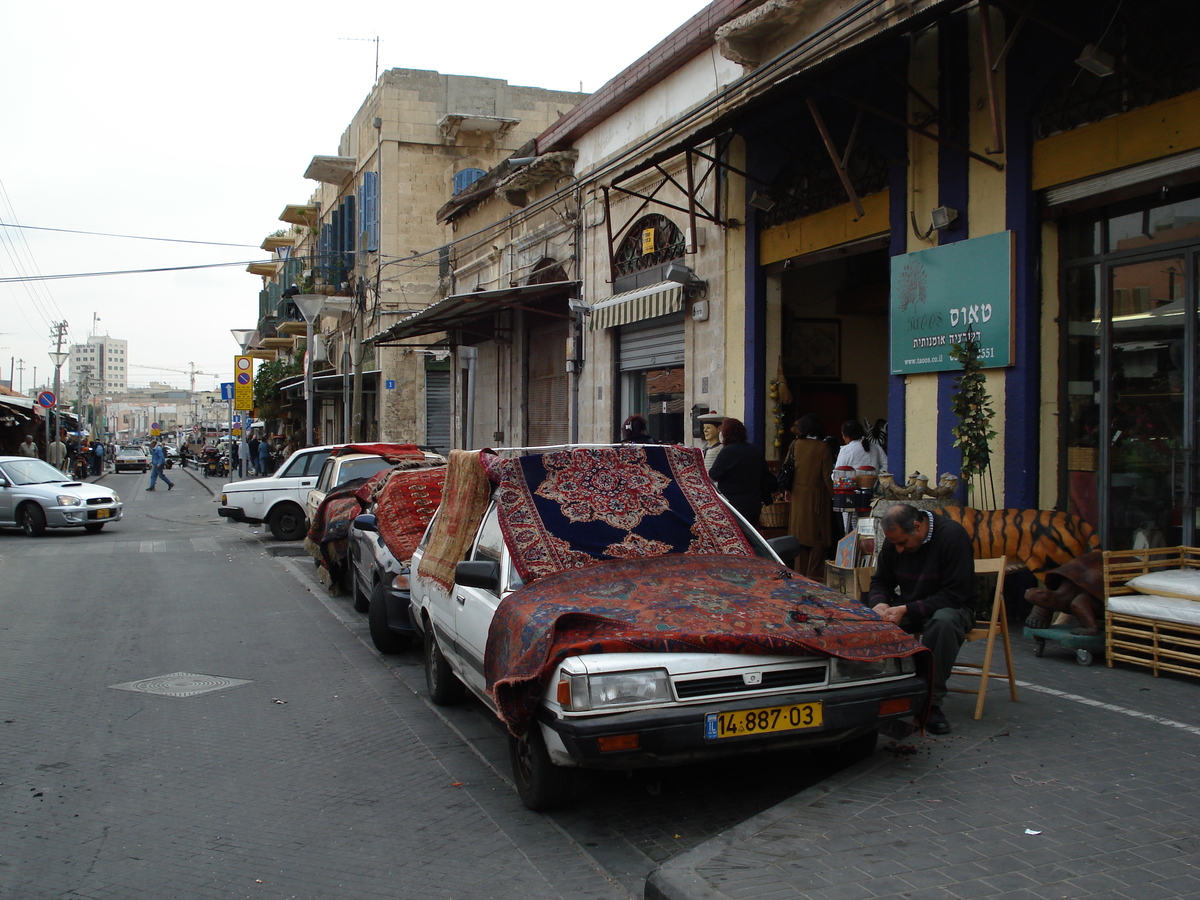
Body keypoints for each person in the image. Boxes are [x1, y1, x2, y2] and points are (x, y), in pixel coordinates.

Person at [869, 503, 977, 736]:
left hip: (953, 607)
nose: (898, 549)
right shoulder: (894, 541)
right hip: (911, 605)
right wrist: (879, 603)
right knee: (868, 620)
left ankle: (931, 703)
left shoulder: (952, 536)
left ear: (917, 527)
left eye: (902, 543)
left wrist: (907, 609)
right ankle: (875, 695)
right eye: (894, 543)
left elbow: (955, 594)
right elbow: (881, 581)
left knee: (943, 622)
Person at [783, 414, 834, 580]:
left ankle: (800, 572)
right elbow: (827, 476)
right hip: (817, 497)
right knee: (818, 537)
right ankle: (815, 574)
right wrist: (835, 496)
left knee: (799, 536)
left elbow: (787, 468)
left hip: (798, 495)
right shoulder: (823, 447)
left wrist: (787, 490)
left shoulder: (795, 444)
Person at [707, 418, 773, 525]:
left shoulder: (728, 451)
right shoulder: (754, 450)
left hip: (732, 505)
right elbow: (765, 476)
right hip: (753, 504)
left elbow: (713, 475)